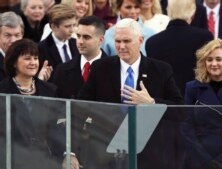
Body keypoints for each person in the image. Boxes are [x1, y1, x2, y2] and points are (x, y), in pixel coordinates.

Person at [78, 18, 183, 169]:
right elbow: (82, 105)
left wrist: (152, 103)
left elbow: (179, 110)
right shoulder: (101, 67)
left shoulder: (160, 70)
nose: (121, 46)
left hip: (148, 153)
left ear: (140, 40)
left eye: (126, 41)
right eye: (117, 41)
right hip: (106, 153)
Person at [181, 39, 222, 169]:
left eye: (218, 59)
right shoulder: (192, 88)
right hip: (199, 159)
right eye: (209, 59)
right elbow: (186, 127)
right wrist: (206, 161)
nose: (214, 64)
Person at [0, 38, 61, 169]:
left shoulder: (50, 90)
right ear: (14, 62)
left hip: (45, 158)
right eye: (27, 58)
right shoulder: (2, 92)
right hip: (11, 160)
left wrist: (67, 154)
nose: (33, 63)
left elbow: (58, 128)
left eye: (35, 58)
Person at [146, 0, 213, 95]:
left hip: (165, 103)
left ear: (168, 10)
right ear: (193, 12)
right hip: (196, 101)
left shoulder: (152, 42)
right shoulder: (204, 37)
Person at [52, 15, 107, 99]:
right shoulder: (62, 70)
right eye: (78, 36)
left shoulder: (113, 70)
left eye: (86, 37)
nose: (80, 42)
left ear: (100, 40)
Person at [0, 11, 52, 82]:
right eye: (7, 35)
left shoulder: (32, 57)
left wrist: (40, 81)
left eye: (17, 35)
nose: (13, 40)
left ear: (22, 35)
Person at [38, 3, 79, 73]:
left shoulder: (77, 43)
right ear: (54, 27)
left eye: (74, 25)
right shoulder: (41, 48)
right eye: (67, 26)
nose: (72, 30)